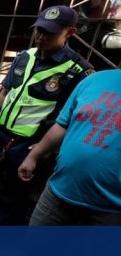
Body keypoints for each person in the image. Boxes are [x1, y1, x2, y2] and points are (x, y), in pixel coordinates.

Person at [0, 5, 93, 225]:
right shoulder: (24, 56)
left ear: (69, 33)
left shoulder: (78, 71)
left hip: (30, 142)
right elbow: (5, 91)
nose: (41, 36)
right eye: (39, 29)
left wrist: (46, 149)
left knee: (13, 194)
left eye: (49, 32)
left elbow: (71, 118)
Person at [18, 69, 121, 225]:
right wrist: (33, 156)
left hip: (110, 209)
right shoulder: (94, 80)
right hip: (59, 192)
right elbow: (63, 125)